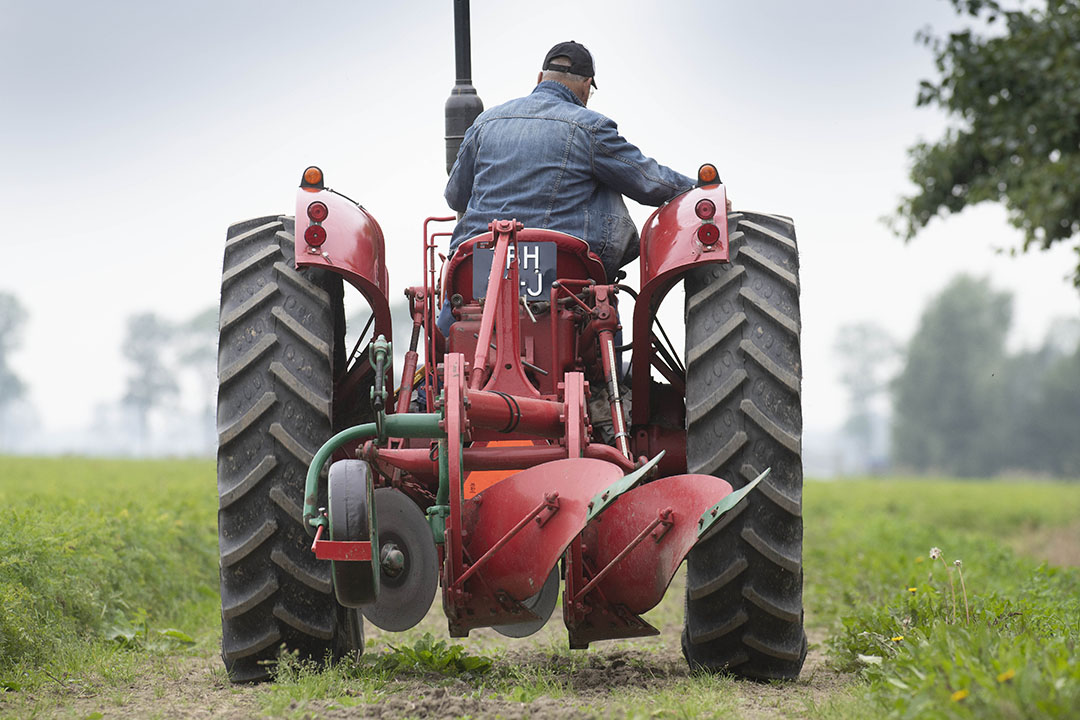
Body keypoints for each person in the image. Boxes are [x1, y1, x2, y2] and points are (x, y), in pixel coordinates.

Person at [444, 41, 696, 283]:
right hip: (563, 273)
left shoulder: (485, 122)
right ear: (587, 86)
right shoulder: (590, 127)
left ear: (540, 78)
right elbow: (648, 182)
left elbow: (455, 197)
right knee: (607, 179)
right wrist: (698, 190)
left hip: (476, 264)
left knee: (448, 320)